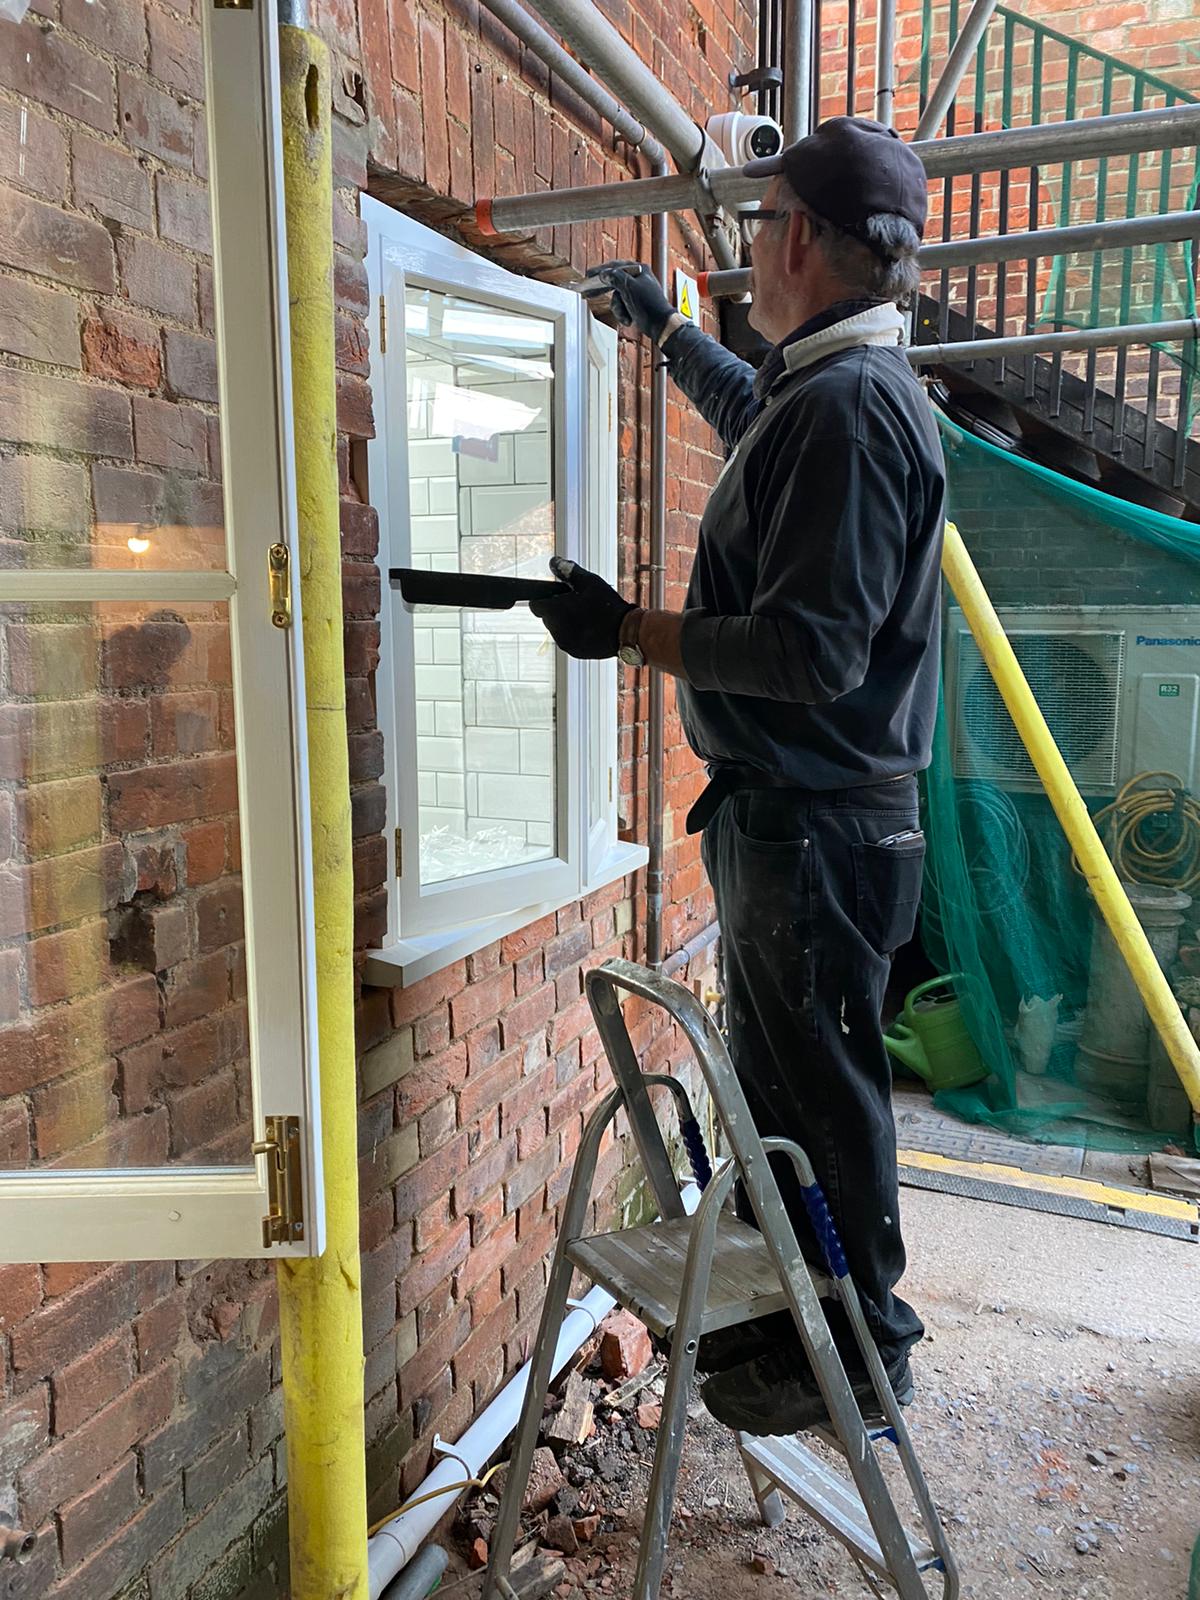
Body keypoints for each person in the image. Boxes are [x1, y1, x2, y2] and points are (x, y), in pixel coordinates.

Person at [529, 117, 946, 1437]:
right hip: (802, 824)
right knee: (786, 1091)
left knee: (822, 1095)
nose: (749, 253)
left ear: (806, 242)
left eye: (759, 226)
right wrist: (665, 336)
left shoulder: (858, 411)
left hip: (820, 832)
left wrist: (633, 634)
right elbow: (754, 412)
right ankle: (801, 1338)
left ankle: (866, 1356)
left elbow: (815, 654)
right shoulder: (825, 386)